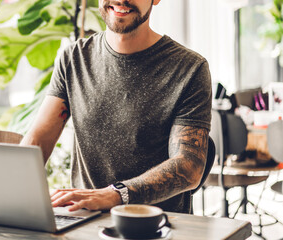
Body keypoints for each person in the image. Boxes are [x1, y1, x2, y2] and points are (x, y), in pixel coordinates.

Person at [20, 0, 211, 213]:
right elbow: (38, 140)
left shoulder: (190, 68)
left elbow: (189, 167)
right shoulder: (73, 59)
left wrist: (117, 195)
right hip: (83, 219)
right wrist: (8, 195)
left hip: (156, 226)